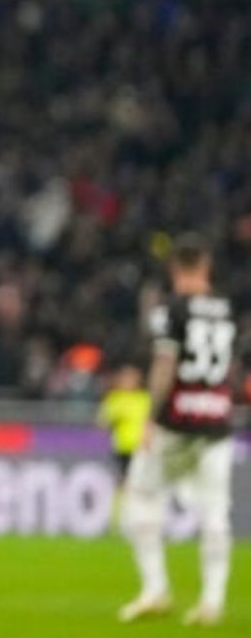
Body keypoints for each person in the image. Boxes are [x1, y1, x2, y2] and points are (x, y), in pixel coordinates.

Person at [118, 235, 237, 626]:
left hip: (176, 420)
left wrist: (152, 417)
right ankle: (212, 602)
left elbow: (165, 364)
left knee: (141, 495)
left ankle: (155, 589)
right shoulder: (227, 309)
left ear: (174, 268)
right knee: (215, 511)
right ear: (205, 266)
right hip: (217, 419)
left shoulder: (171, 309)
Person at [98, 364, 150, 483]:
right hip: (119, 445)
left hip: (138, 446)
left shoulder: (143, 398)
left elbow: (148, 421)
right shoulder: (114, 398)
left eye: (132, 378)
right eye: (126, 377)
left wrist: (147, 438)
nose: (128, 381)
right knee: (120, 476)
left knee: (136, 478)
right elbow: (102, 422)